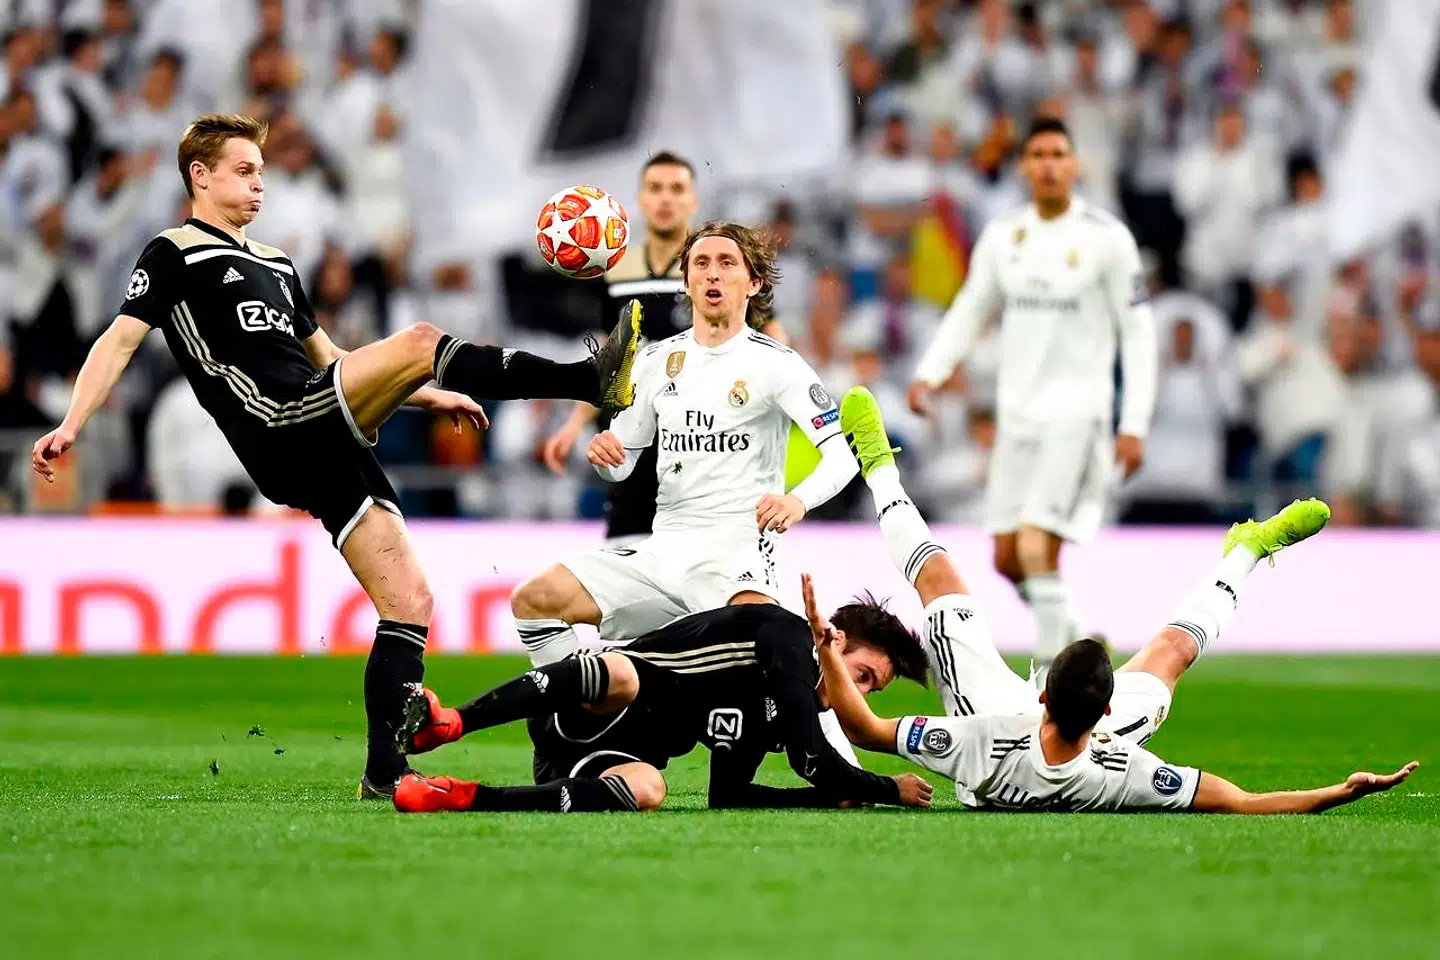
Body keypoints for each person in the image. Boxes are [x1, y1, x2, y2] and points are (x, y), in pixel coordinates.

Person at [29, 114, 644, 800]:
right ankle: (587, 379)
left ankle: (386, 773)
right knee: (416, 336)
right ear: (198, 176)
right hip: (278, 421)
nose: (258, 183)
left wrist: (428, 395)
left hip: (324, 425)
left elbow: (336, 364)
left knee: (409, 599)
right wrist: (72, 422)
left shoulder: (277, 264)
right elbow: (118, 340)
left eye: (260, 171)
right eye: (243, 170)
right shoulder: (172, 252)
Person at [808, 387, 1417, 813]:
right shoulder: (1120, 769)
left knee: (939, 581)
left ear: (1044, 691)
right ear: (1107, 718)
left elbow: (867, 729)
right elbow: (1242, 801)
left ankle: (880, 468)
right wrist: (1338, 791)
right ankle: (1249, 551)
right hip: (1054, 732)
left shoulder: (979, 744)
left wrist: (824, 653)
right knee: (1174, 652)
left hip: (986, 713)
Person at [509, 221, 859, 667]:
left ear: (753, 283)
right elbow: (621, 459)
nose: (713, 273)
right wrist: (605, 456)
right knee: (535, 599)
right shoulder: (655, 361)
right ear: (686, 282)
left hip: (737, 555)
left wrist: (798, 500)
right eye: (701, 263)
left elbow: (841, 456)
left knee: (770, 671)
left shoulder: (778, 365)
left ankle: (823, 736)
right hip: (664, 552)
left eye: (727, 263)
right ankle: (590, 706)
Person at [907, 116, 1157, 683]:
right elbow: (972, 307)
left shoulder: (1106, 238)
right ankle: (1075, 631)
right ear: (1024, 166)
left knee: (1036, 543)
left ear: (1074, 165)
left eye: (1057, 154)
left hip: (1080, 412)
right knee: (1006, 558)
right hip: (1017, 415)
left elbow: (1138, 333)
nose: (1047, 164)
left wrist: (1133, 422)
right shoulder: (1005, 237)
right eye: (1037, 154)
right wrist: (932, 371)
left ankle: (1047, 679)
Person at [390, 600, 933, 813]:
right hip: (589, 704)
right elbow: (814, 762)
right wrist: (890, 789)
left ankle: (459, 797)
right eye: (863, 676)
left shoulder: (788, 707)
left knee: (650, 788)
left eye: (872, 692)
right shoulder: (788, 639)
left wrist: (827, 801)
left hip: (592, 761)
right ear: (833, 643)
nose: (858, 698)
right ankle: (452, 721)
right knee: (623, 672)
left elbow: (729, 795)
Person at [540, 152, 789, 547]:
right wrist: (573, 424)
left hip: (700, 439)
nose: (666, 199)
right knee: (626, 556)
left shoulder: (715, 264)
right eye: (656, 189)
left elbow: (772, 333)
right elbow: (612, 357)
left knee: (700, 562)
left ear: (693, 201)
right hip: (633, 439)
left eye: (677, 189)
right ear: (640, 199)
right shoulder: (617, 269)